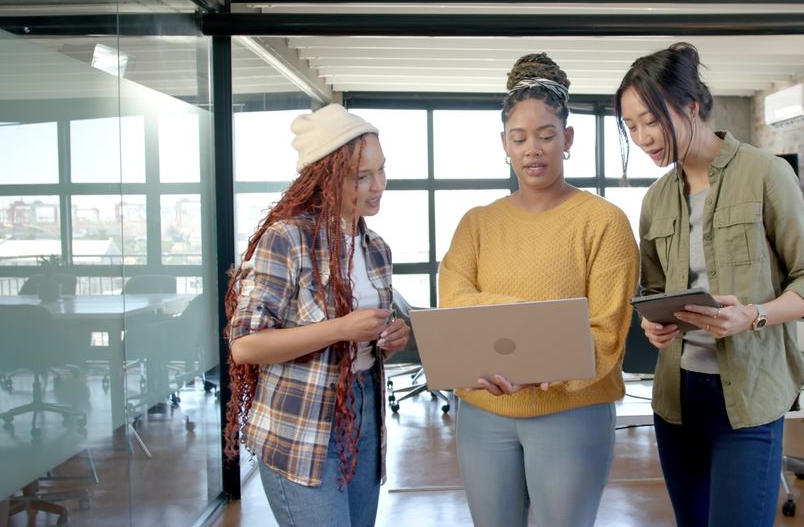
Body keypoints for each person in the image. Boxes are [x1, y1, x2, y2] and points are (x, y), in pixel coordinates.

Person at [615, 42, 804, 526]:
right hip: (676, 398)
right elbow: (651, 292)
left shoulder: (766, 174)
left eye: (652, 120)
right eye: (631, 126)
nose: (644, 137)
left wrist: (752, 315)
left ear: (692, 107)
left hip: (749, 398)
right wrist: (653, 326)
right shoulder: (654, 200)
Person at [438, 53, 640, 527]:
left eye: (547, 136)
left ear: (567, 139)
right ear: (504, 144)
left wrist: (530, 355)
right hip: (484, 411)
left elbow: (607, 330)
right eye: (520, 138)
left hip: (572, 411)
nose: (534, 149)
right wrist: (543, 331)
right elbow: (455, 304)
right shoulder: (477, 224)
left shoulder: (604, 222)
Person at [223, 104, 411, 527]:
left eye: (381, 170)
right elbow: (245, 346)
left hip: (363, 411)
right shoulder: (287, 239)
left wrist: (388, 340)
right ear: (324, 179)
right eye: (361, 177)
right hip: (300, 424)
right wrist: (341, 329)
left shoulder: (376, 248)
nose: (378, 185)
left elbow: (365, 343)